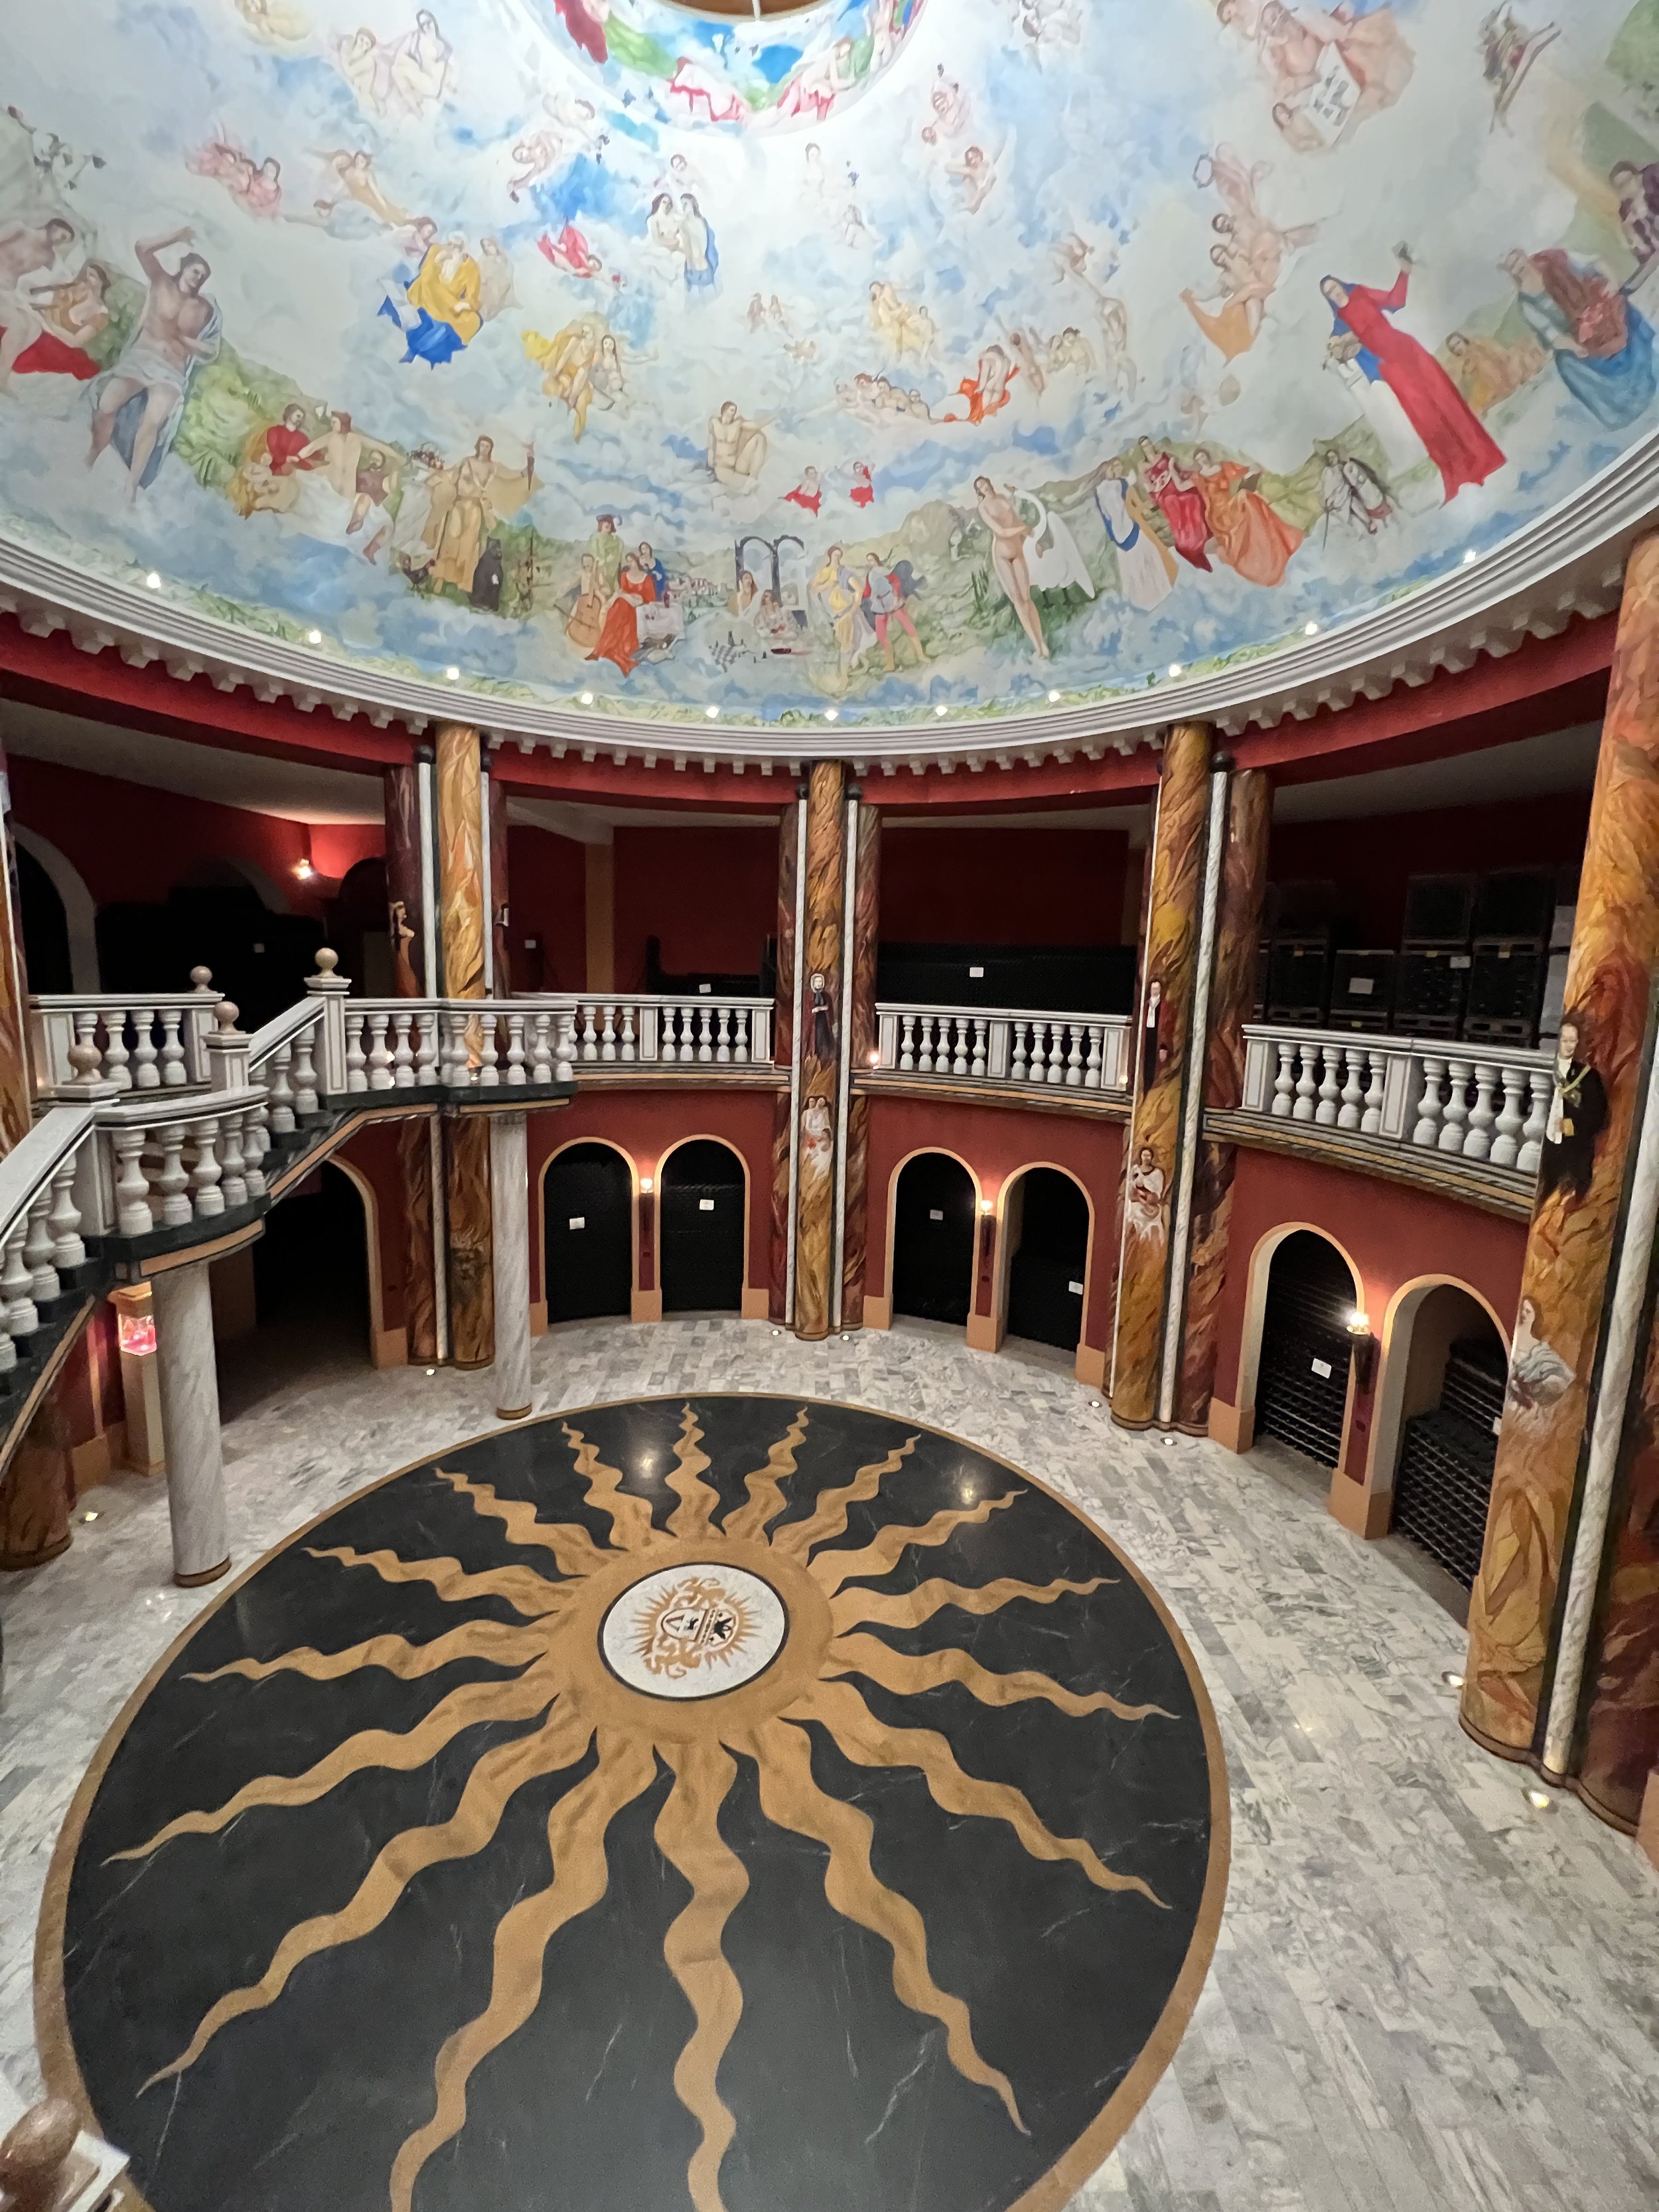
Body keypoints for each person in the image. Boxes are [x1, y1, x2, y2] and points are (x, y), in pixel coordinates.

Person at [1321, 254, 1504, 504]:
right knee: (1426, 420)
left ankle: (1481, 456)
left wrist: (1404, 273)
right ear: (1329, 299)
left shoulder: (1362, 294)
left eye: (1334, 287)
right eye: (1329, 294)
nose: (1335, 293)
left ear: (1340, 284)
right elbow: (1337, 344)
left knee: (1446, 401)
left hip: (1410, 352)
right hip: (1391, 367)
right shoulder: (1340, 323)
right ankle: (1456, 473)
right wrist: (1336, 346)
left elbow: (1394, 300)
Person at [88, 228, 220, 497]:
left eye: (204, 276)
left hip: (171, 371)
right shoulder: (161, 282)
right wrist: (176, 236)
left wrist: (185, 340)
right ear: (184, 267)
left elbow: (210, 352)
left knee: (152, 423)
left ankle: (131, 486)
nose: (199, 278)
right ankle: (93, 454)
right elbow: (142, 248)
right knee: (106, 406)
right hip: (141, 358)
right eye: (196, 271)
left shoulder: (204, 309)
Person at [1502, 248, 1658, 431]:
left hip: (1597, 306)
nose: (1519, 268)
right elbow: (1551, 333)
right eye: (1513, 267)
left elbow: (1594, 262)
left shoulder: (1555, 259)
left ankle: (1651, 367)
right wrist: (1575, 346)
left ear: (1524, 256)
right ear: (1510, 273)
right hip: (1576, 336)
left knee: (1621, 307)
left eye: (1518, 261)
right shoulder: (1526, 303)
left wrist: (1611, 282)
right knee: (1566, 362)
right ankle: (1622, 408)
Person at [423, 434, 535, 594]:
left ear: (490, 450)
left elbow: (513, 475)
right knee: (450, 544)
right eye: (482, 445)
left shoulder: (493, 467)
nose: (484, 449)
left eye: (487, 447)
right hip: (459, 506)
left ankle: (462, 584)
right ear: (477, 446)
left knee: (467, 547)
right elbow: (451, 475)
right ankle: (440, 579)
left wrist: (530, 461)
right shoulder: (467, 462)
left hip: (475, 509)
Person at [1191, 447, 1303, 587]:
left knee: (1247, 498)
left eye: (1203, 456)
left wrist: (1255, 467)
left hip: (1228, 505)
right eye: (1198, 459)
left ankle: (1264, 536)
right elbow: (1201, 495)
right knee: (1244, 496)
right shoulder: (1199, 476)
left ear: (1207, 456)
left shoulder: (1220, 467)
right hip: (1217, 512)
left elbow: (1239, 470)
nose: (1202, 460)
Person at [973, 478, 1048, 656]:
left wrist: (1031, 540)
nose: (985, 488)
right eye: (981, 487)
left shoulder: (1003, 498)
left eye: (986, 484)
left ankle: (1042, 642)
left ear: (990, 483)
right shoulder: (983, 507)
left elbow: (1015, 521)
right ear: (980, 492)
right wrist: (1025, 530)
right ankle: (1036, 645)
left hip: (1018, 551)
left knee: (1027, 599)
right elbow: (1001, 532)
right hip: (1003, 555)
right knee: (1018, 601)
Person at [1538, 1015, 1607, 1203]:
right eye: (1565, 1040)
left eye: (1573, 1041)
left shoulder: (1589, 1076)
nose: (1569, 1045)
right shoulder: (1546, 1070)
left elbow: (1599, 1114)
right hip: (1549, 1146)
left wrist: (1574, 1127)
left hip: (1576, 1149)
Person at [1092, 473, 1177, 611]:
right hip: (1122, 534)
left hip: (1129, 529)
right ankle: (1145, 600)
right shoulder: (1101, 492)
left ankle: (1158, 593)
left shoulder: (1121, 484)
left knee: (1147, 563)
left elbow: (1133, 504)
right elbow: (1106, 517)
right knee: (1137, 569)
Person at [1137, 439, 1212, 569]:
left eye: (1149, 444)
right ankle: (1190, 541)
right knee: (1173, 502)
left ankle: (1203, 533)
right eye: (1144, 446)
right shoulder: (1143, 466)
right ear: (1142, 450)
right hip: (1162, 493)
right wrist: (1154, 488)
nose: (1148, 447)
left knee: (1191, 497)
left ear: (1151, 444)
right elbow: (1148, 486)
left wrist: (1180, 474)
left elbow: (1177, 468)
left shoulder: (1164, 455)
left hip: (1175, 483)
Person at [1445, 327, 1546, 415]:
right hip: (1488, 385)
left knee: (1522, 353)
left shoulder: (1479, 344)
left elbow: (1498, 352)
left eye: (1458, 343)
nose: (1457, 348)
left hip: (1502, 369)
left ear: (1463, 340)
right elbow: (1461, 384)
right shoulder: (1460, 364)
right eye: (1454, 348)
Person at [810, 545, 874, 686]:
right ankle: (842, 675)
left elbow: (859, 589)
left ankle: (844, 678)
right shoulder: (824, 572)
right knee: (842, 645)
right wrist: (827, 584)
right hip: (831, 614)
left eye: (839, 556)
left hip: (845, 611)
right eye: (835, 555)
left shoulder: (843, 572)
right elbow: (813, 590)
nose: (837, 558)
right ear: (830, 556)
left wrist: (852, 610)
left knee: (846, 644)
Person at [588, 550, 656, 677]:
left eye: (632, 561)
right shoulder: (625, 576)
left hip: (636, 604)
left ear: (637, 562)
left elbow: (648, 598)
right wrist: (623, 597)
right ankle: (606, 647)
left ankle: (612, 648)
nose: (629, 563)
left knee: (621, 608)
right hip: (624, 602)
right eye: (628, 561)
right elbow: (623, 592)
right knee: (617, 608)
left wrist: (633, 598)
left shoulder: (646, 578)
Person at [861, 553, 926, 670]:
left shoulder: (882, 571)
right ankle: (890, 664)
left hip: (890, 600)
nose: (870, 563)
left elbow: (895, 580)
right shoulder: (870, 576)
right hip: (878, 605)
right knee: (881, 635)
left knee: (908, 626)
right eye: (868, 561)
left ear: (876, 560)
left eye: (871, 560)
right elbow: (868, 591)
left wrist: (896, 598)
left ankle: (921, 655)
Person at [707, 400, 767, 491]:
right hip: (722, 467)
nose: (734, 413)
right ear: (725, 410)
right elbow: (711, 445)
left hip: (738, 465)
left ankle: (754, 478)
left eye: (734, 411)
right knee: (745, 486)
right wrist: (711, 463)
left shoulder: (737, 424)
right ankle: (749, 484)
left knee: (759, 438)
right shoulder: (714, 423)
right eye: (732, 410)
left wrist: (774, 417)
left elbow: (756, 425)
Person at [565, 554, 606, 651]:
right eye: (585, 562)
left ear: (592, 563)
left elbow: (604, 587)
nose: (587, 564)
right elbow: (572, 583)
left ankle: (601, 636)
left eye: (589, 562)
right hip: (583, 600)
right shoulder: (582, 573)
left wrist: (598, 587)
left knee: (602, 614)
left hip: (596, 599)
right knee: (574, 612)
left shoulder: (598, 573)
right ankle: (569, 630)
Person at [679, 195, 718, 291]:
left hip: (703, 270)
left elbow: (705, 244)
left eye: (686, 204)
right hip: (690, 272)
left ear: (693, 204)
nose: (683, 207)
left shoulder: (700, 222)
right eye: (682, 204)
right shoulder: (683, 224)